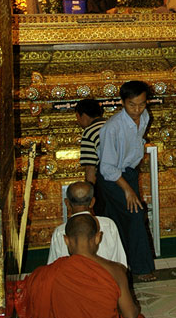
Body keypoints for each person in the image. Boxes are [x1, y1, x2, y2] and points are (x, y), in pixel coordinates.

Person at [15, 213, 145, 318]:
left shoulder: (47, 273)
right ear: (98, 238)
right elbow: (130, 315)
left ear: (66, 240)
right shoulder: (116, 271)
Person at [97, 81, 156, 282]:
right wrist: (128, 190)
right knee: (136, 214)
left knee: (116, 219)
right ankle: (141, 268)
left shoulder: (145, 116)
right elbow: (107, 168)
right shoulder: (112, 128)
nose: (137, 110)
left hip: (129, 173)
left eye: (142, 104)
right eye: (132, 105)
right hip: (112, 178)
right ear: (122, 102)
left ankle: (118, 267)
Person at [47, 181, 126, 266]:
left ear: (67, 203)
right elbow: (120, 263)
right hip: (106, 277)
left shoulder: (60, 232)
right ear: (92, 202)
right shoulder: (109, 225)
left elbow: (54, 268)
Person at [76, 98, 104, 185]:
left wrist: (91, 192)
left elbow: (90, 167)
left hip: (106, 179)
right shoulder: (112, 126)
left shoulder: (89, 132)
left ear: (83, 116)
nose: (78, 122)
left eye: (77, 117)